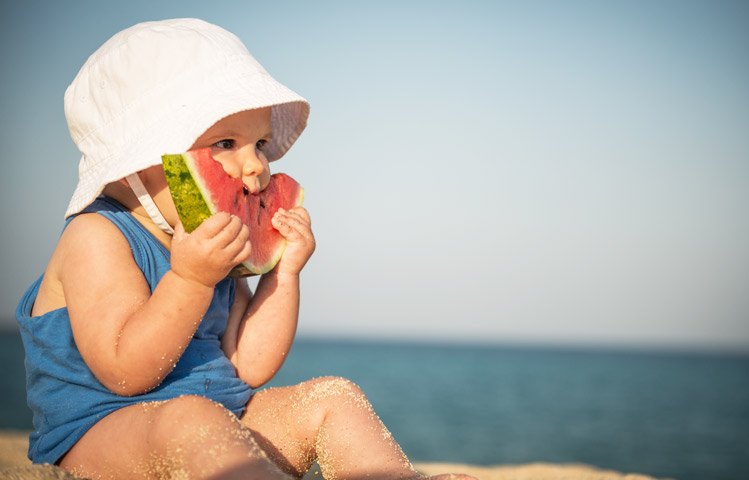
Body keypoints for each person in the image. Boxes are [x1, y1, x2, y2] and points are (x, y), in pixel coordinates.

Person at [16, 18, 475, 480]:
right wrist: (191, 280)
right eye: (225, 143)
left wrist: (283, 274)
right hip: (105, 437)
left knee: (333, 396)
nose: (256, 163)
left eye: (259, 143)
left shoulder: (213, 242)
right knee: (190, 417)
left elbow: (247, 367)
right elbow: (126, 372)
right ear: (133, 163)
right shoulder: (96, 236)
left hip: (222, 432)